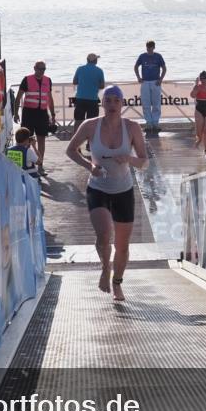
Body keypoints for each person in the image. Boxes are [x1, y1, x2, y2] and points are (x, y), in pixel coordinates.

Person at [66, 86, 148, 301]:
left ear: (122, 104)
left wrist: (128, 159)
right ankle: (105, 267)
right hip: (98, 188)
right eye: (108, 100)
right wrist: (89, 166)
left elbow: (144, 162)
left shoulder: (132, 128)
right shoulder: (90, 125)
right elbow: (70, 150)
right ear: (102, 104)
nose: (112, 105)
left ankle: (117, 282)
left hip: (123, 190)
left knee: (122, 245)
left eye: (116, 101)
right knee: (103, 235)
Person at [14, 61, 56, 176]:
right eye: (40, 68)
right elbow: (18, 97)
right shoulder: (27, 79)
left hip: (42, 113)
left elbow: (50, 99)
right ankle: (27, 165)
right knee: (26, 140)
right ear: (34, 68)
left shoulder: (48, 80)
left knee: (41, 139)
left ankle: (40, 166)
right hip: (28, 113)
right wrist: (16, 113)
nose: (42, 71)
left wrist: (53, 114)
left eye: (44, 69)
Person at [134, 40, 167, 135]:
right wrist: (138, 77)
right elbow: (136, 67)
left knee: (156, 103)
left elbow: (164, 68)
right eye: (148, 47)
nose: (149, 49)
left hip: (155, 82)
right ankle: (148, 123)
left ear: (154, 47)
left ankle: (155, 123)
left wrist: (161, 79)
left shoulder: (158, 56)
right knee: (146, 103)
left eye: (151, 47)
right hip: (145, 82)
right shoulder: (142, 56)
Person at [72, 53, 105, 135]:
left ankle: (76, 141)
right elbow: (102, 86)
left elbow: (75, 81)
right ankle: (90, 141)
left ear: (87, 60)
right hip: (92, 99)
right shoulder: (99, 70)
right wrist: (94, 84)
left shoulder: (80, 69)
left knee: (78, 121)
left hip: (80, 98)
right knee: (92, 123)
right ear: (95, 61)